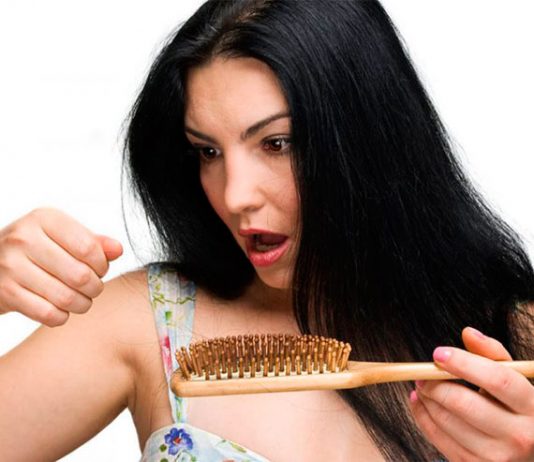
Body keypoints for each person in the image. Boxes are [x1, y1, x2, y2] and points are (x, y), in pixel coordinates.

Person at [1, 0, 534, 460]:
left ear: (368, 139)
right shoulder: (149, 321)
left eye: (276, 143)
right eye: (208, 151)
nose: (234, 195)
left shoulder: (515, 341)